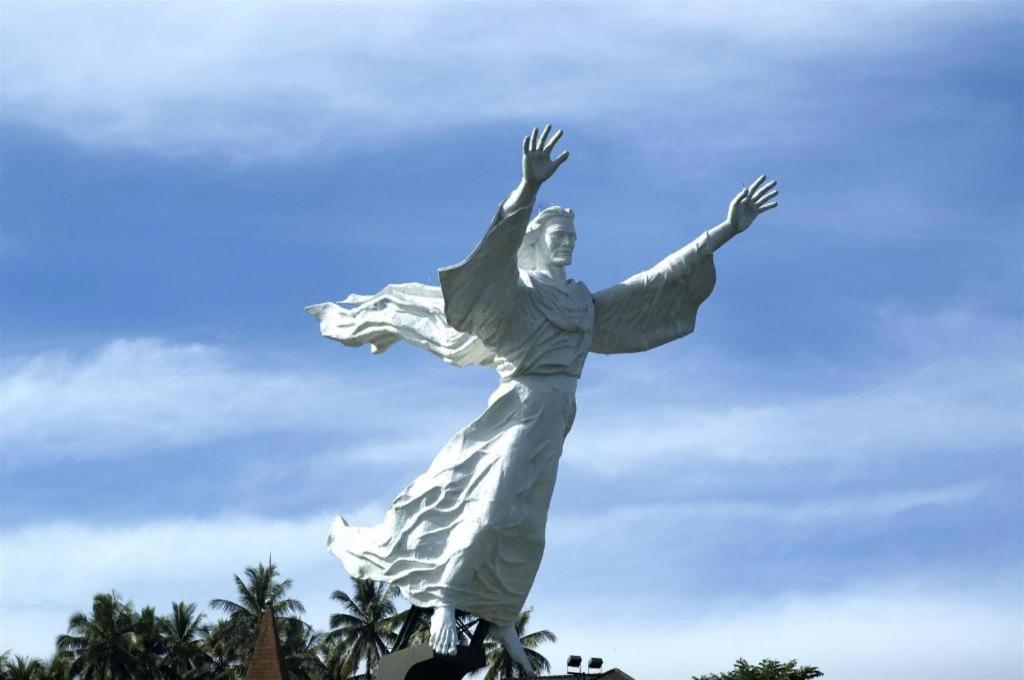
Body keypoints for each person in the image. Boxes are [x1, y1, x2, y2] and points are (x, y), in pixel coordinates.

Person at [308, 125, 778, 671]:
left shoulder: (583, 303)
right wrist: (528, 187)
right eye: (557, 234)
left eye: (572, 235)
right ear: (537, 241)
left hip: (556, 417)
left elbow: (655, 282)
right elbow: (496, 249)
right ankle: (445, 601)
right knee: (490, 507)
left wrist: (725, 230)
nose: (567, 242)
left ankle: (502, 617)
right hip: (521, 409)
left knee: (527, 527)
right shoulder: (519, 293)